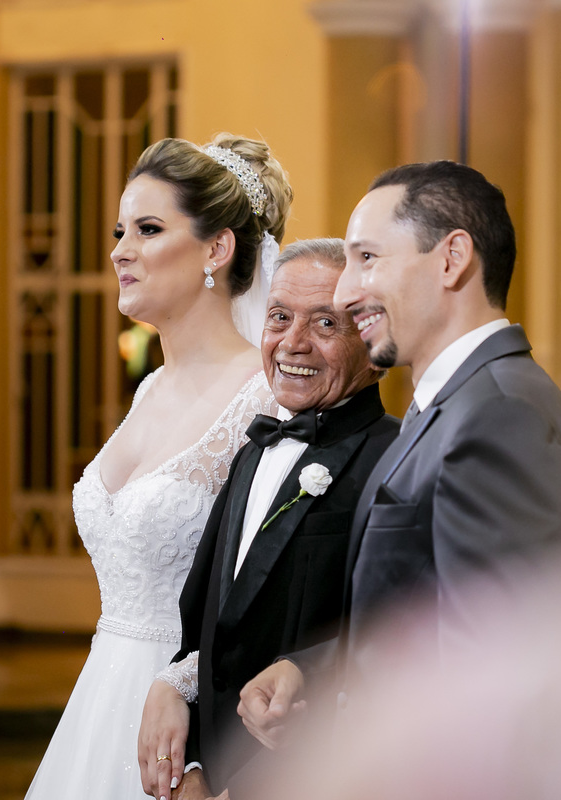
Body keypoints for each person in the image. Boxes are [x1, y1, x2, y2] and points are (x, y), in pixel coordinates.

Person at [238, 161, 561, 749]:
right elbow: (428, 618)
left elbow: (489, 688)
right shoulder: (459, 402)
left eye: (367, 258)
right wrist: (312, 669)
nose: (346, 291)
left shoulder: (500, 416)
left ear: (452, 258)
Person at [23, 133, 293, 800]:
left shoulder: (264, 399)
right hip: (102, 702)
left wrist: (195, 707)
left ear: (216, 249)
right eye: (120, 232)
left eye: (147, 229)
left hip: (193, 722)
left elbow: (276, 594)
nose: (121, 251)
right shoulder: (148, 389)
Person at [136, 239, 400, 800]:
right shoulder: (252, 451)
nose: (292, 343)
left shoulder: (396, 463)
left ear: (372, 342)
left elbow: (394, 648)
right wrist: (193, 761)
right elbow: (211, 627)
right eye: (279, 317)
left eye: (325, 323)